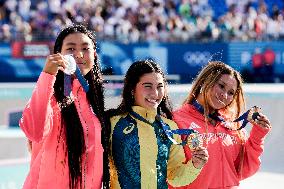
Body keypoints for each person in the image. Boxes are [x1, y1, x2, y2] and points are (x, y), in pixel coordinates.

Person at [19, 24, 109, 189]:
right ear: (58, 55)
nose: (79, 54)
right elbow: (34, 132)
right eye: (71, 48)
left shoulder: (94, 102)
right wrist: (48, 75)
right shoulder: (49, 97)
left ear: (94, 55)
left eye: (85, 48)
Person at [106, 60, 209, 189]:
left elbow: (175, 178)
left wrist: (195, 165)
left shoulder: (170, 127)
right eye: (148, 86)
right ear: (132, 89)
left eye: (160, 87)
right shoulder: (113, 123)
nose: (155, 93)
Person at [171, 61, 272, 189]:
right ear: (204, 81)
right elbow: (169, 173)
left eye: (231, 93)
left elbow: (243, 170)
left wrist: (257, 135)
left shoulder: (232, 125)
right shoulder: (177, 120)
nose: (224, 95)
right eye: (221, 86)